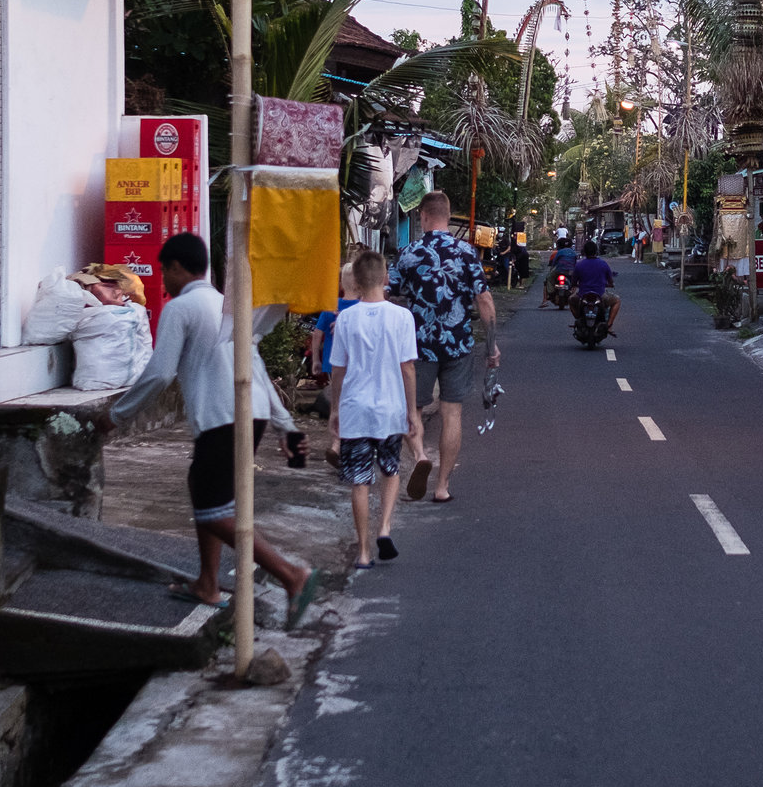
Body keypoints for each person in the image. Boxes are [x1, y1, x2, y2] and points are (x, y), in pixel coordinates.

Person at [112, 232, 317, 626]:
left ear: (176, 268)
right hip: (249, 412)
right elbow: (255, 366)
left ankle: (292, 575)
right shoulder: (227, 305)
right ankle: (207, 582)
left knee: (214, 513)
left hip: (224, 417)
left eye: (163, 271)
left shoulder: (181, 307)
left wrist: (117, 415)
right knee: (206, 495)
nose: (163, 280)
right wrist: (283, 425)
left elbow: (158, 374)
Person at [389, 191, 497, 504]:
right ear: (448, 217)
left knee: (413, 410)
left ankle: (421, 454)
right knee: (452, 414)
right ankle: (442, 487)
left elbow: (385, 292)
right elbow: (485, 300)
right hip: (459, 345)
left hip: (418, 346)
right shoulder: (466, 253)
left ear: (422, 216)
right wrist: (491, 348)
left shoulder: (409, 253)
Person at [324, 250, 416, 568]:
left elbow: (338, 371)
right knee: (391, 470)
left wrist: (335, 410)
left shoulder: (345, 319)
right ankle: (385, 528)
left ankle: (363, 552)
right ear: (386, 279)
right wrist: (412, 411)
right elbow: (408, 370)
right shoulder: (402, 317)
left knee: (360, 481)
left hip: (355, 410)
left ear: (357, 282)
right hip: (391, 408)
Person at [573, 237, 620, 333]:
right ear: (596, 251)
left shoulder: (579, 265)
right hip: (601, 295)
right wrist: (610, 284)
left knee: (571, 299)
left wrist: (576, 286)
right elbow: (610, 281)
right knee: (617, 301)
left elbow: (574, 282)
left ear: (584, 252)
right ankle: (609, 325)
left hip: (582, 295)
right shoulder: (603, 264)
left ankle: (579, 319)